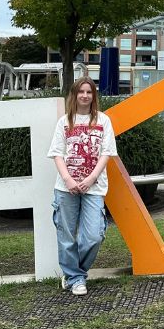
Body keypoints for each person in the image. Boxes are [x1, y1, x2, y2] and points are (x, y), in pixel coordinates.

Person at [47, 76, 117, 296]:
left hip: (94, 187)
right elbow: (57, 153)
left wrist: (91, 179)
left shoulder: (103, 120)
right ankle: (77, 279)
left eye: (89, 92)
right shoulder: (64, 122)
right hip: (66, 188)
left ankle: (74, 275)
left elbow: (107, 153)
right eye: (81, 92)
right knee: (66, 235)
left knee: (94, 235)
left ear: (93, 96)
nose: (85, 96)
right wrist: (68, 179)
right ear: (74, 95)